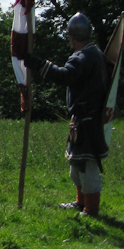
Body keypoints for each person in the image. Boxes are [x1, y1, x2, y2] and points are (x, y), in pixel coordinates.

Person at [23, 12, 109, 216]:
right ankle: (81, 202)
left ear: (72, 36)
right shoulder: (92, 53)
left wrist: (37, 63)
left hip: (89, 120)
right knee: (77, 166)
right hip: (83, 119)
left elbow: (65, 76)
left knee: (88, 167)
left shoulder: (85, 57)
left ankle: (91, 209)